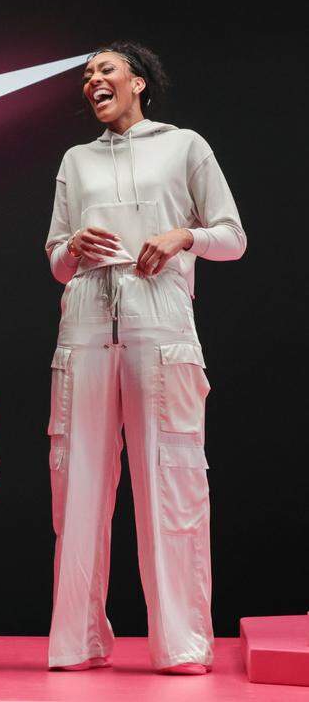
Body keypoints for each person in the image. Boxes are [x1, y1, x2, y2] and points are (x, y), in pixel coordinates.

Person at [44, 41, 246, 675]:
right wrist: (72, 245)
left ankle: (182, 643)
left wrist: (184, 234)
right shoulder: (75, 161)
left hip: (160, 327)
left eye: (105, 70)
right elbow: (54, 258)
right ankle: (78, 639)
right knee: (76, 481)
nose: (92, 80)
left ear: (138, 80)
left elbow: (232, 236)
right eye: (86, 75)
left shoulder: (185, 145)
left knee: (172, 479)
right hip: (84, 326)